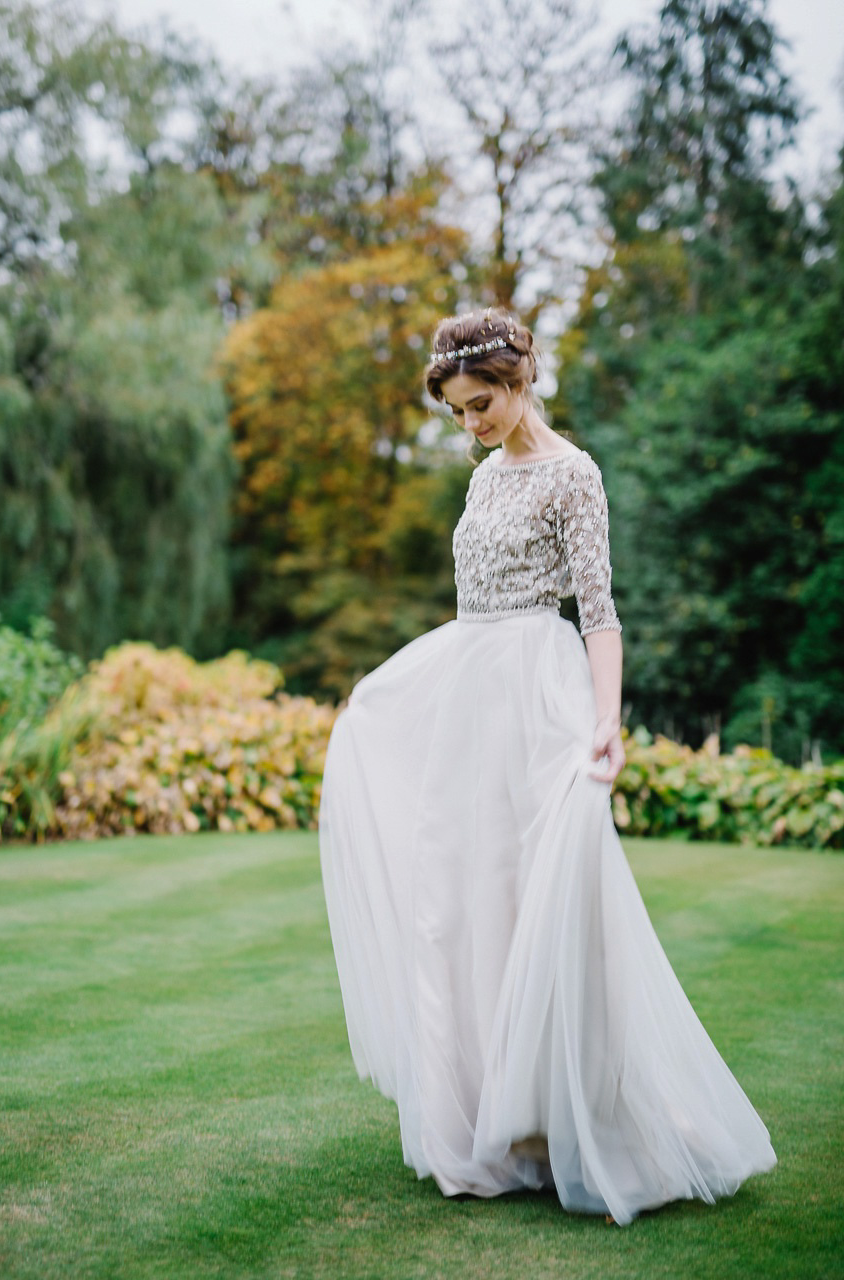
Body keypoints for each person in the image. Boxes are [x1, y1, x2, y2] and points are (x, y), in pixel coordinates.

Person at [317, 306, 777, 1227]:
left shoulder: (576, 476)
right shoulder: (482, 479)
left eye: (479, 403)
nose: (470, 425)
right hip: (468, 698)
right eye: (455, 412)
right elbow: (471, 607)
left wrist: (605, 724)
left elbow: (598, 613)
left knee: (545, 904)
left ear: (521, 378)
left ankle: (563, 1119)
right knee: (459, 905)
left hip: (540, 700)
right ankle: (492, 1121)